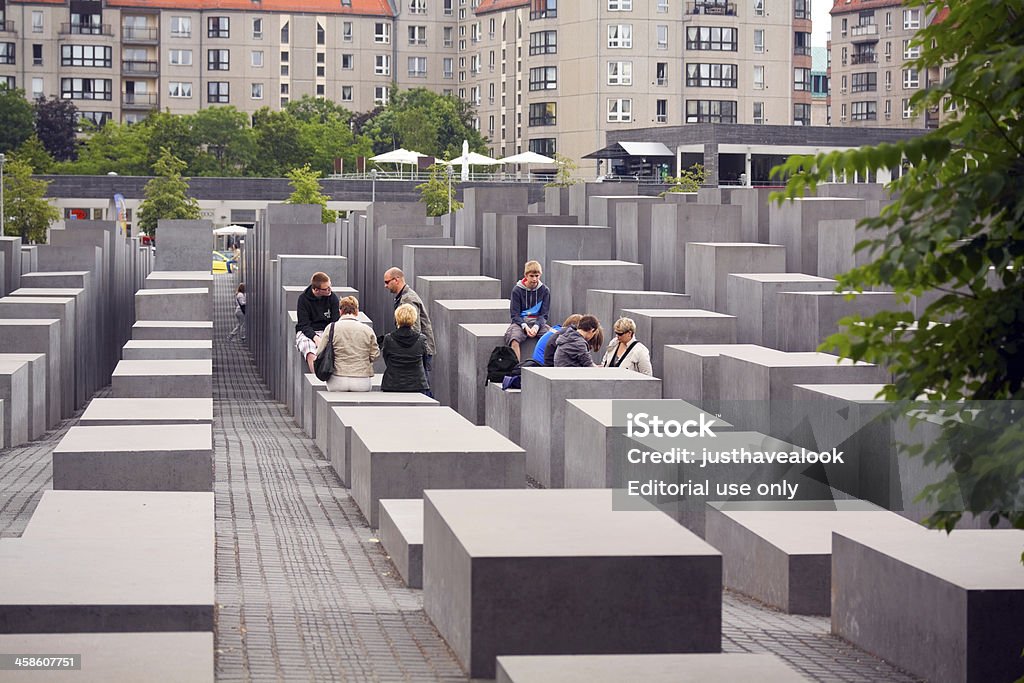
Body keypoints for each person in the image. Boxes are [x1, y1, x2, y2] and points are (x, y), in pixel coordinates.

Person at [315, 296, 379, 392]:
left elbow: (319, 352)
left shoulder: (331, 328)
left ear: (340, 311)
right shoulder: (367, 330)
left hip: (336, 380)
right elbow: (375, 355)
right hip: (361, 381)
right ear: (357, 311)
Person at [384, 267, 435, 380]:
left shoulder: (408, 299)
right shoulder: (404, 297)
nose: (385, 286)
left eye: (387, 282)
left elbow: (414, 329)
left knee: (421, 387)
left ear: (396, 280)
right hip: (418, 348)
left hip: (419, 351)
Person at [504, 260, 551, 360]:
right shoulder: (517, 290)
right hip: (520, 323)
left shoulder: (545, 290)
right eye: (532, 276)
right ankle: (517, 368)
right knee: (514, 339)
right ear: (526, 275)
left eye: (537, 276)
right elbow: (515, 314)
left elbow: (544, 314)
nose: (534, 279)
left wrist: (536, 326)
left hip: (538, 323)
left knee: (552, 338)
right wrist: (524, 326)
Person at [296, 271, 340, 373]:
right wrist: (315, 338)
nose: (329, 290)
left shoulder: (332, 298)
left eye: (330, 286)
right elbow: (304, 324)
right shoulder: (303, 299)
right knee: (310, 350)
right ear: (316, 290)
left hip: (327, 330)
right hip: (308, 332)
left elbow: (335, 321)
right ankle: (316, 376)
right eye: (326, 289)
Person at [380, 303, 430, 393]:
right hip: (417, 384)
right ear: (414, 319)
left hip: (392, 384)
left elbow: (386, 359)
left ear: (397, 318)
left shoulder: (388, 338)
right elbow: (424, 362)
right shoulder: (421, 339)